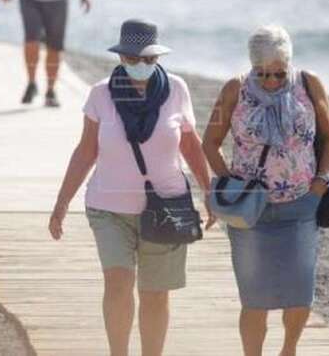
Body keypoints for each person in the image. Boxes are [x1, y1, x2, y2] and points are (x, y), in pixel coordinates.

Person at [49, 19, 215, 356]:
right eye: (132, 59)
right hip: (108, 208)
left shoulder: (177, 89)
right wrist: (61, 203)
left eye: (148, 60)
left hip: (166, 209)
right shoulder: (101, 93)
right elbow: (86, 151)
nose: (140, 66)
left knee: (155, 293)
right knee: (118, 283)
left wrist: (210, 192)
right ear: (121, 57)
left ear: (157, 58)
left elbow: (191, 145)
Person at [201, 25, 329, 356]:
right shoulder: (235, 89)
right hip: (251, 212)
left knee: (300, 292)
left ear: (288, 65)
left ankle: (288, 349)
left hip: (300, 205)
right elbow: (210, 142)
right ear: (252, 67)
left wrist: (320, 184)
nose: (272, 82)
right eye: (263, 74)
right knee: (254, 297)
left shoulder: (309, 83)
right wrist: (232, 186)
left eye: (278, 74)